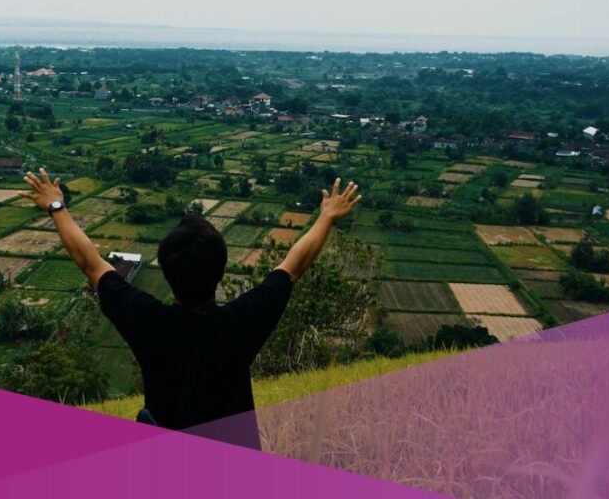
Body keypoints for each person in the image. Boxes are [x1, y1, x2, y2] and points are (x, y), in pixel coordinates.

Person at [21, 168, 361, 435]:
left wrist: (56, 206)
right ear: (221, 270)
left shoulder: (147, 321)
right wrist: (326, 217)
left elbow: (89, 261)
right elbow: (294, 264)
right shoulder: (243, 322)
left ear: (167, 273)